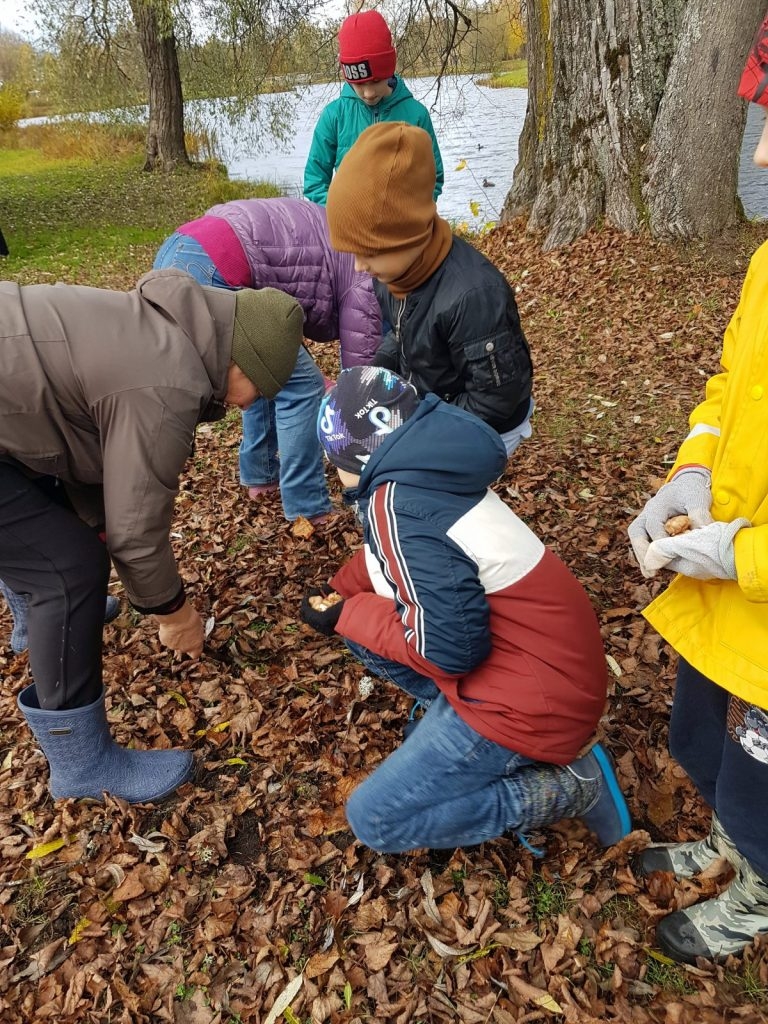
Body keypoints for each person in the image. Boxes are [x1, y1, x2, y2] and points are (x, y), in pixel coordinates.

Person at [300, 365, 631, 854]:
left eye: (335, 462)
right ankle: (457, 726)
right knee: (359, 622)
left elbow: (449, 652)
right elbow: (404, 561)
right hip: (549, 672)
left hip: (529, 704)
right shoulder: (425, 469)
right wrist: (340, 592)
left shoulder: (394, 505)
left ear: (352, 454)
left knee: (376, 819)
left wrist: (346, 614)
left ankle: (572, 788)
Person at [0, 269, 303, 804]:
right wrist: (174, 614)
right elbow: (137, 534)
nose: (253, 404)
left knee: (48, 535)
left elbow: (79, 444)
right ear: (242, 361)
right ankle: (82, 765)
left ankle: (32, 615)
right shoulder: (168, 381)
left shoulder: (156, 327)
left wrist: (99, 526)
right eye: (261, 388)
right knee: (67, 572)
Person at [626, 15, 768, 964]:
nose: (760, 146)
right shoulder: (767, 264)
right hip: (728, 595)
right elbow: (731, 385)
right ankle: (728, 845)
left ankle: (756, 889)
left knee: (765, 785)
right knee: (703, 740)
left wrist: (738, 551)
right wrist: (690, 468)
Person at [153, 198, 381, 523]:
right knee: (303, 387)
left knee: (262, 368)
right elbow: (362, 374)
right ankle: (308, 509)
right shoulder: (368, 276)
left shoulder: (342, 231)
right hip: (216, 265)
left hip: (181, 247)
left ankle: (261, 476)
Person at [325, 122, 534, 457]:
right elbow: (402, 330)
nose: (358, 267)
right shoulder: (394, 276)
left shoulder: (474, 295)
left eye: (368, 253)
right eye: (352, 253)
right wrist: (378, 371)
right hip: (438, 402)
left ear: (406, 235)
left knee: (437, 491)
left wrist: (424, 430)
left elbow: (496, 400)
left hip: (492, 425)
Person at [303, 10, 444, 206]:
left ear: (390, 68)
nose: (368, 93)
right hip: (348, 230)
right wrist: (343, 215)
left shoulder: (416, 115)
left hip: (402, 230)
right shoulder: (334, 116)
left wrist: (410, 215)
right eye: (359, 84)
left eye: (376, 81)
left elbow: (433, 179)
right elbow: (315, 184)